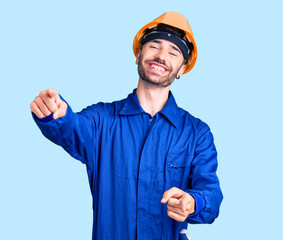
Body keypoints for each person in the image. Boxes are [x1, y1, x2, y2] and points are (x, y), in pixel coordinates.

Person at [30, 12, 223, 240]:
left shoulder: (196, 133)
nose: (161, 56)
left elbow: (210, 195)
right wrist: (55, 116)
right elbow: (73, 129)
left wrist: (193, 202)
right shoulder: (102, 120)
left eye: (174, 52)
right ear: (138, 54)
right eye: (154, 46)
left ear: (182, 69)